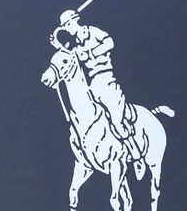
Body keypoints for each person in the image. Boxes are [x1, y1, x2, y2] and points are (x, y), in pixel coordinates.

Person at [51, 9, 145, 178]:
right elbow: (69, 58)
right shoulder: (75, 45)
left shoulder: (92, 31)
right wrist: (58, 45)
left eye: (67, 25)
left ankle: (136, 155)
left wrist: (90, 53)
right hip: (92, 84)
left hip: (107, 80)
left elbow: (110, 43)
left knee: (116, 121)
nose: (66, 29)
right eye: (64, 27)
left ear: (74, 21)